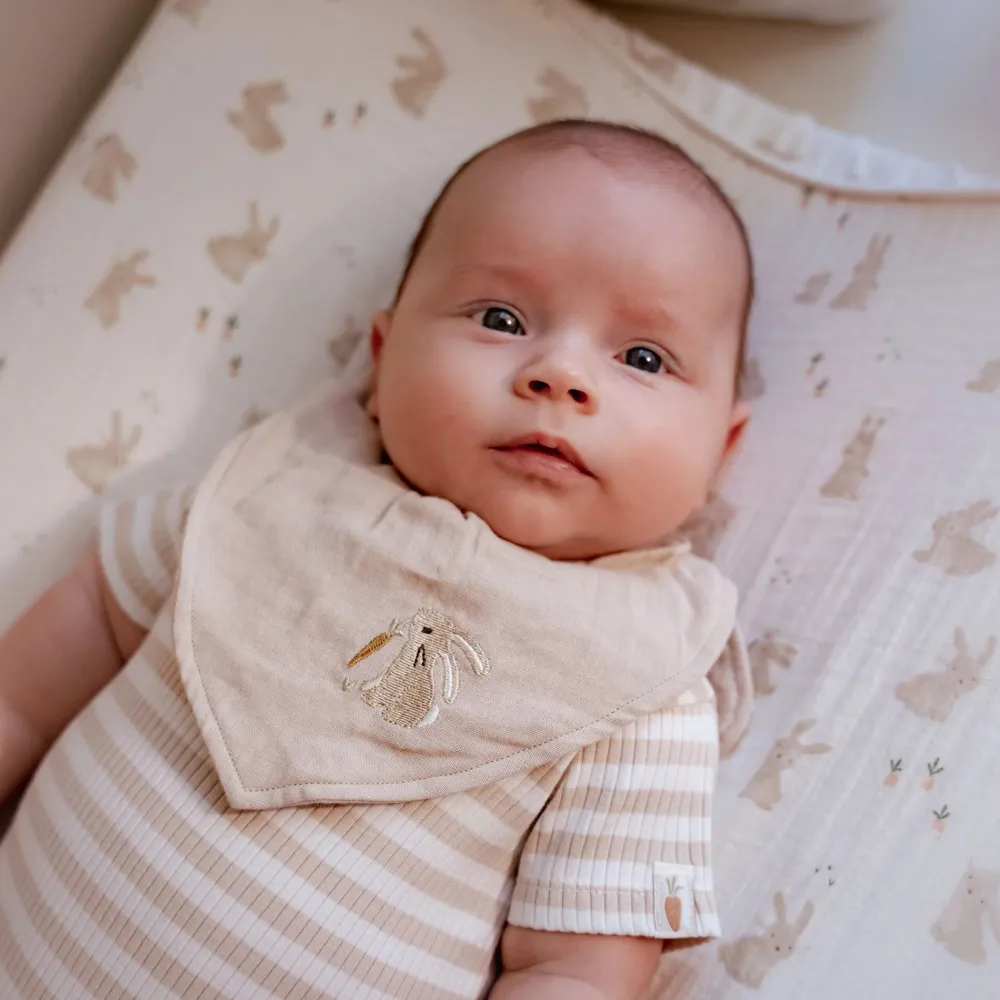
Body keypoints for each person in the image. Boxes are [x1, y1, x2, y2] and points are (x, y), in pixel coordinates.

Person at [0, 119, 754, 1000]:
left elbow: (573, 971)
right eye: (501, 318)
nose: (560, 374)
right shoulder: (278, 492)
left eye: (644, 357)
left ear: (721, 450)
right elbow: (36, 683)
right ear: (384, 356)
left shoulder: (644, 686)